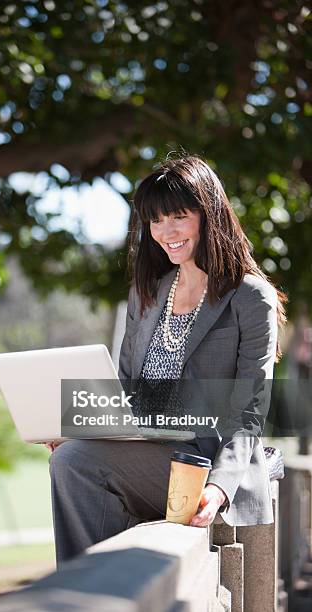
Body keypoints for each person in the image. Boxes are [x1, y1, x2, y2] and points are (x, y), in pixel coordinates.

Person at [46, 154, 287, 566]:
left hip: (206, 462)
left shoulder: (250, 297)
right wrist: (85, 429)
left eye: (179, 215)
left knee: (75, 463)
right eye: (155, 221)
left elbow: (248, 409)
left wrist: (220, 487)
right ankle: (85, 589)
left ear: (208, 215)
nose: (166, 231)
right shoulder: (147, 293)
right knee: (70, 455)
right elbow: (126, 387)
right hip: (150, 450)